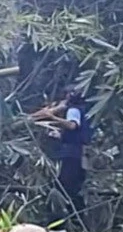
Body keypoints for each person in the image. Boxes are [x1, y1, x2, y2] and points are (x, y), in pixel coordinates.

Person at [31, 88, 90, 216]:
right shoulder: (84, 111)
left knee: (65, 186)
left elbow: (72, 125)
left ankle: (61, 216)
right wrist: (60, 135)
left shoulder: (73, 110)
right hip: (79, 153)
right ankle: (76, 217)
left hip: (71, 153)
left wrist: (52, 117)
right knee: (73, 187)